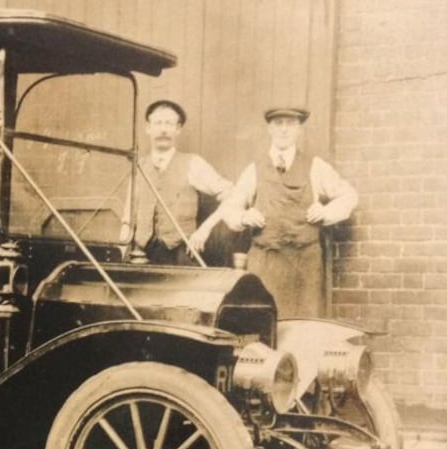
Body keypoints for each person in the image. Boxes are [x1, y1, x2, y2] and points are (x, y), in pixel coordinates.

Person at [221, 106, 357, 317]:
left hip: (304, 263)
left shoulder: (315, 166)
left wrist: (326, 211)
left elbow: (349, 196)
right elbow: (230, 208)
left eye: (290, 124)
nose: (284, 130)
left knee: (306, 324)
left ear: (299, 129)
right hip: (266, 261)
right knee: (262, 322)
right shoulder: (254, 168)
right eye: (278, 124)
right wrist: (244, 216)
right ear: (269, 129)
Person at [132, 99, 233, 265]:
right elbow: (128, 214)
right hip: (141, 256)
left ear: (178, 129)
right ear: (148, 128)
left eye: (169, 123)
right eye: (158, 123)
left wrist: (204, 230)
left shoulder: (193, 163)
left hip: (180, 255)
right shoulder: (138, 166)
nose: (163, 129)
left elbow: (231, 193)